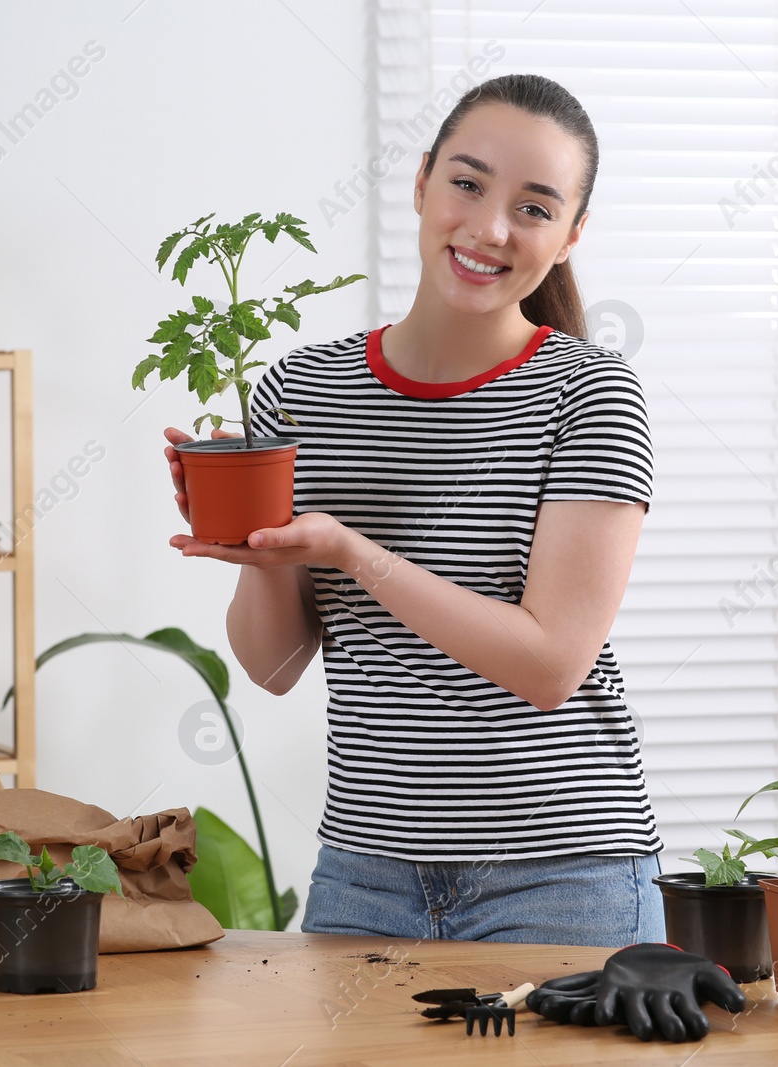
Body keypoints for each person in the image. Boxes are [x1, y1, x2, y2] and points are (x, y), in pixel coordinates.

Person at [162, 73, 662, 946]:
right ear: (423, 181)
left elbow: (550, 666)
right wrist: (256, 557)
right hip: (365, 874)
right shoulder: (301, 389)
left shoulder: (590, 395)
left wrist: (357, 554)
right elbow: (275, 666)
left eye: (535, 208)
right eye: (467, 183)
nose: (490, 227)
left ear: (572, 234)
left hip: (562, 874)